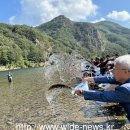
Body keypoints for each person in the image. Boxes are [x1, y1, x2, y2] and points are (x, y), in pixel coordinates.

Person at [75, 55, 130, 122]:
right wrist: (91, 79)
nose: (111, 71)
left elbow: (103, 96)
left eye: (115, 69)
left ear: (126, 71)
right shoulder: (126, 77)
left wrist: (83, 92)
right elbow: (110, 78)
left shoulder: (126, 89)